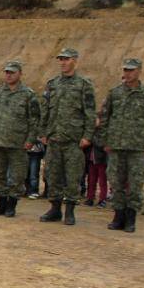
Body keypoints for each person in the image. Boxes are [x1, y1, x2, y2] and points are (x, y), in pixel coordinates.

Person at [98, 59, 144, 233]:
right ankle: (118, 216)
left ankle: (131, 218)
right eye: (125, 70)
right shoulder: (114, 93)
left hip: (137, 148)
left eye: (131, 70)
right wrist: (104, 140)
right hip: (116, 146)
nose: (128, 73)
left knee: (135, 184)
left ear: (139, 71)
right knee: (116, 182)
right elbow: (105, 118)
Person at [38, 48, 96, 226]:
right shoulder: (52, 84)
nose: (63, 62)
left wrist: (87, 136)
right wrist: (42, 132)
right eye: (61, 59)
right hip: (54, 138)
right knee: (52, 175)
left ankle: (70, 210)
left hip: (73, 140)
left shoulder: (84, 85)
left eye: (66, 59)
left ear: (75, 61)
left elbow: (90, 113)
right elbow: (45, 110)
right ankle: (55, 209)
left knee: (73, 177)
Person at [0, 61, 40, 218]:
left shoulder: (28, 94)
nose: (8, 75)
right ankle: (0, 204)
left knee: (17, 176)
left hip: (18, 143)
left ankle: (12, 205)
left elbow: (34, 120)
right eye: (7, 72)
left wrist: (30, 139)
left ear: (20, 74)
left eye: (12, 72)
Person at [84, 117, 108, 208]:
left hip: (101, 159)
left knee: (102, 180)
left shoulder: (103, 132)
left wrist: (91, 139)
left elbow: (100, 143)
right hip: (91, 159)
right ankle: (90, 198)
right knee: (91, 180)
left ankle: (102, 199)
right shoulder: (91, 131)